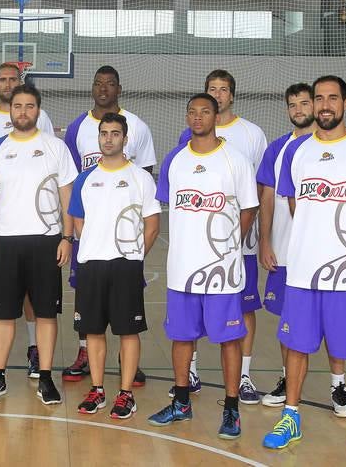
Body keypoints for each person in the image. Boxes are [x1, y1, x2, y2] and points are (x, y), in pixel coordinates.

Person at [262, 76, 346, 467]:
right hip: (302, 273)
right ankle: (291, 417)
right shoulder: (298, 152)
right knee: (297, 346)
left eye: (332, 98)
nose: (324, 105)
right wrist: (312, 243)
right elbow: (294, 205)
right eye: (319, 98)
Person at [148, 93, 258, 441]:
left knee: (229, 339)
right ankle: (181, 402)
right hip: (183, 269)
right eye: (192, 112)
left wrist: (228, 245)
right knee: (182, 337)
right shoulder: (175, 161)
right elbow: (165, 205)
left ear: (216, 115)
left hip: (222, 272)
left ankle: (231, 408)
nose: (198, 118)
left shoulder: (235, 160)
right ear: (186, 117)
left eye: (205, 112)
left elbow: (249, 208)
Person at [257, 83, 346, 416]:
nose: (298, 109)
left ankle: (338, 385)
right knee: (288, 322)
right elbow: (267, 198)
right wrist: (265, 240)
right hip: (286, 253)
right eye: (292, 104)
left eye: (303, 103)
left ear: (314, 106)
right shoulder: (278, 149)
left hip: (327, 253)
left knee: (333, 323)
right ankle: (288, 381)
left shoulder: (333, 147)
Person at [0, 84, 77, 405]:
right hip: (6, 243)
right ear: (10, 110)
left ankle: (46, 378)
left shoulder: (55, 147)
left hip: (46, 242)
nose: (23, 111)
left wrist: (66, 237)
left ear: (39, 110)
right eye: (18, 106)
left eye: (30, 106)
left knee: (46, 314)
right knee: (4, 315)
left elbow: (67, 197)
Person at [62, 65, 156, 386]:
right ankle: (85, 355)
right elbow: (73, 182)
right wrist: (83, 237)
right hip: (92, 243)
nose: (103, 89)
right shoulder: (76, 128)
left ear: (119, 88)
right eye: (98, 83)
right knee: (87, 309)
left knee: (126, 318)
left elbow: (145, 187)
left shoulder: (139, 128)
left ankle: (125, 363)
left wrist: (136, 247)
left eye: (110, 84)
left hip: (125, 249)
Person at [177, 69, 266, 402]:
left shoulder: (251, 134)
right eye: (211, 89)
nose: (217, 94)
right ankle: (192, 372)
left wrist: (234, 239)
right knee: (193, 311)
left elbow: (256, 189)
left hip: (239, 244)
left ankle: (243, 377)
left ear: (232, 95)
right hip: (199, 248)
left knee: (244, 307)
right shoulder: (187, 139)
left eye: (223, 89)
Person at [0, 62, 56, 378]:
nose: (6, 84)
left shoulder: (40, 120)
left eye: (12, 79)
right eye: (1, 79)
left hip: (35, 227)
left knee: (34, 294)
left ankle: (35, 350)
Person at [69, 113, 160, 419]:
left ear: (125, 139)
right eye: (104, 133)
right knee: (92, 331)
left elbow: (152, 225)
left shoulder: (141, 178)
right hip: (92, 265)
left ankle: (125, 394)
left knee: (127, 331)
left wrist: (134, 256)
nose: (108, 138)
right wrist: (97, 244)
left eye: (115, 133)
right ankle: (97, 389)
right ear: (99, 138)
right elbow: (78, 220)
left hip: (126, 267)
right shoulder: (85, 178)